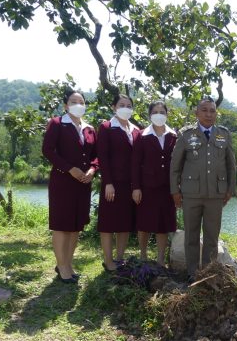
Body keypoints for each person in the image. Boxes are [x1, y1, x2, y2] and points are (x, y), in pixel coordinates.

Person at [170, 96, 236, 282]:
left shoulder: (223, 134)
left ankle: (208, 273)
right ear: (196, 113)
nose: (209, 114)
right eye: (205, 110)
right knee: (191, 235)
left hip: (216, 194)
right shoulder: (185, 134)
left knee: (211, 237)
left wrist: (230, 188)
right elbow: (175, 166)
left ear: (216, 113)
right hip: (191, 194)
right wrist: (175, 191)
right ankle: (192, 273)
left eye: (212, 110)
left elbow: (231, 165)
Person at [42, 89, 97, 284]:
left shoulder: (90, 129)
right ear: (66, 105)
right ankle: (62, 266)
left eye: (81, 101)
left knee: (76, 226)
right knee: (62, 225)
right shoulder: (57, 124)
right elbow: (47, 150)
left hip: (83, 183)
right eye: (73, 101)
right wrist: (69, 169)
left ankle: (67, 262)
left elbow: (95, 156)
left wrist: (92, 170)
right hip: (63, 182)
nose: (78, 104)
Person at [96, 94, 141, 271]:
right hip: (112, 183)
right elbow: (103, 157)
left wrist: (137, 185)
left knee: (124, 223)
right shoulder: (106, 127)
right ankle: (108, 261)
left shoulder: (136, 130)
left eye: (129, 105)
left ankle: (119, 258)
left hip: (129, 185)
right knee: (107, 224)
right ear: (114, 107)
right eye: (122, 105)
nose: (126, 108)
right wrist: (108, 182)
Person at [132, 101, 177, 267]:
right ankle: (143, 255)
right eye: (155, 111)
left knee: (163, 224)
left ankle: (160, 259)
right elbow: (135, 164)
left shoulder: (174, 135)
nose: (159, 114)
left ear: (167, 114)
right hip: (146, 186)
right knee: (144, 222)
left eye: (162, 111)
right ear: (150, 115)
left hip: (167, 188)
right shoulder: (141, 135)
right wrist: (136, 187)